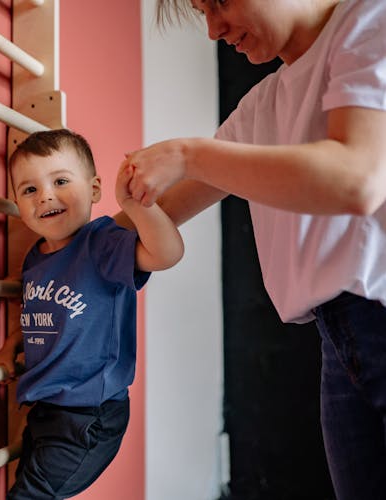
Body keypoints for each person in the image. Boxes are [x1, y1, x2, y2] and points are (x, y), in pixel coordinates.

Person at [122, 1, 386, 498]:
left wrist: (187, 153)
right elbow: (160, 207)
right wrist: (59, 251)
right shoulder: (265, 104)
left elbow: (358, 178)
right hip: (339, 342)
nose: (212, 29)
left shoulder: (371, 20)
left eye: (219, 3)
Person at [0, 129, 183, 499]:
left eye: (60, 181)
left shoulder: (102, 244)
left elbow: (167, 254)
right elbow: (36, 315)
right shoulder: (36, 256)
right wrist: (8, 347)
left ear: (94, 190)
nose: (45, 195)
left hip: (89, 415)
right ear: (17, 202)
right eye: (29, 190)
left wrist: (138, 206)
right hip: (46, 408)